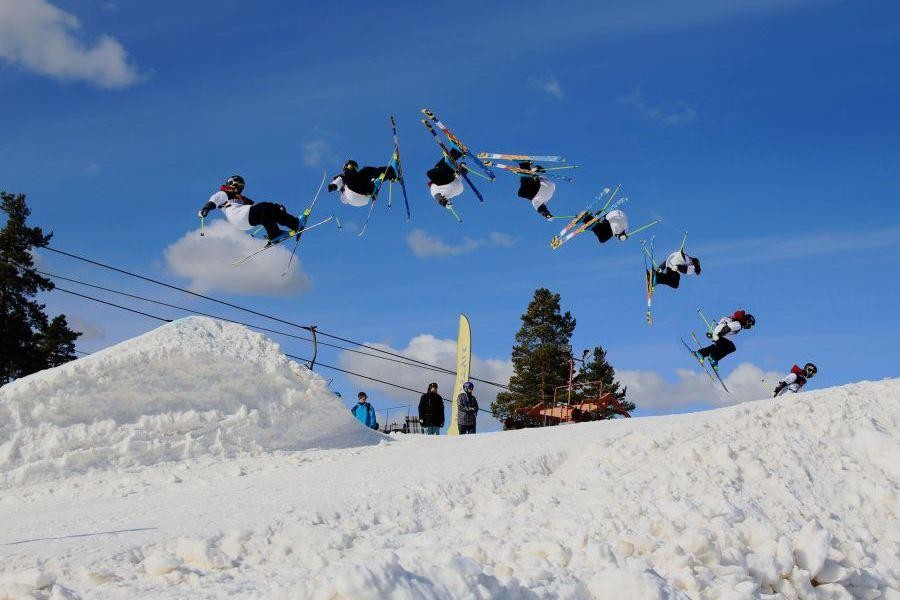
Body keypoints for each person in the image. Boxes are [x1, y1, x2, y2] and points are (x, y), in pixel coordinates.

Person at [198, 175, 302, 243]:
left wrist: (278, 211)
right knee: (265, 206)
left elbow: (263, 212)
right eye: (237, 184)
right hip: (240, 215)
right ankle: (293, 225)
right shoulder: (224, 193)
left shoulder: (240, 198)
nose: (240, 187)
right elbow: (214, 200)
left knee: (267, 210)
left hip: (243, 221)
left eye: (241, 185)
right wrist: (206, 208)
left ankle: (278, 232)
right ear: (230, 184)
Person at [327, 160, 397, 207]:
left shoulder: (357, 178)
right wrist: (333, 186)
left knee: (368, 177)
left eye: (355, 167)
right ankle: (392, 171)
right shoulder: (344, 176)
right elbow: (339, 181)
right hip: (351, 193)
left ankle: (374, 186)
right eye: (350, 166)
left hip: (362, 199)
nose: (353, 168)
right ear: (345, 167)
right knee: (367, 171)